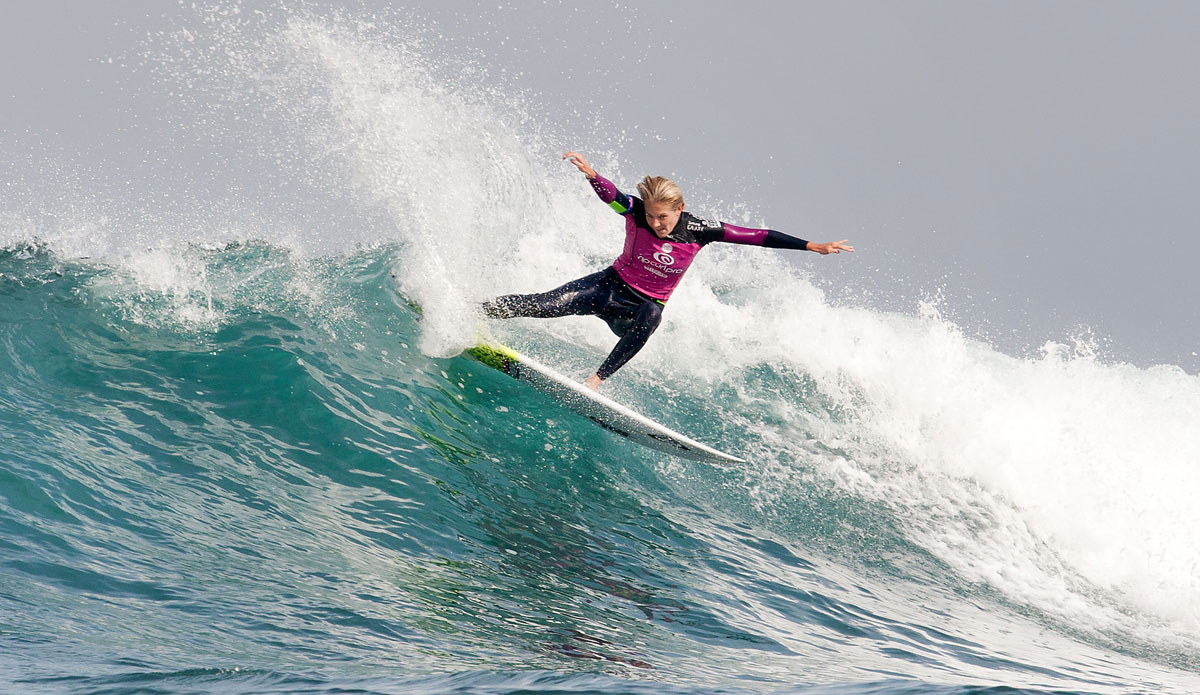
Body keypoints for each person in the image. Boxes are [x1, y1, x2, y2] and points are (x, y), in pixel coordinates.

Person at [482, 151, 853, 390]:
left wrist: (811, 245)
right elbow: (613, 196)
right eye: (651, 215)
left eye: (663, 216)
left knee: (652, 315)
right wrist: (592, 174)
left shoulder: (700, 230)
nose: (656, 223)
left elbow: (756, 236)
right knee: (540, 304)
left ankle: (595, 381)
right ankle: (473, 308)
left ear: (679, 209)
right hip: (607, 287)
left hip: (638, 310)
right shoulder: (634, 212)